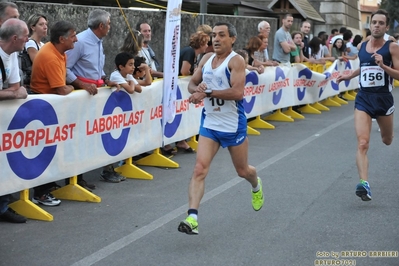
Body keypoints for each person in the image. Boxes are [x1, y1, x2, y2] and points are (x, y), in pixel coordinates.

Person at [178, 22, 264, 235]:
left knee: (243, 171)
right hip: (210, 124)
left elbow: (237, 93)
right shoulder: (206, 59)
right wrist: (196, 89)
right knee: (199, 169)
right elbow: (191, 83)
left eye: (221, 35)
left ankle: (256, 184)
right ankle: (192, 217)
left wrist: (207, 93)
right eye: (214, 35)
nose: (216, 39)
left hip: (232, 124)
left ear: (232, 39)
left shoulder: (236, 61)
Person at [337, 9, 399, 201]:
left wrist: (384, 66)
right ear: (370, 25)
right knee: (363, 142)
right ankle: (364, 184)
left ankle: (386, 133)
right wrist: (348, 75)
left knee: (387, 140)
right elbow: (363, 67)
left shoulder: (393, 47)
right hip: (364, 98)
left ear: (386, 27)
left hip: (383, 99)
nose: (377, 26)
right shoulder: (363, 45)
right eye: (374, 23)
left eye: (381, 23)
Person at [66, 9, 125, 184]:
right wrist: (82, 85)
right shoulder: (81, 41)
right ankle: (76, 178)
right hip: (81, 95)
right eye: (109, 24)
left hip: (95, 93)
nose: (110, 27)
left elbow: (95, 69)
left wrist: (106, 80)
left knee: (94, 135)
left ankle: (87, 174)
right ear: (101, 26)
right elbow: (65, 68)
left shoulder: (98, 41)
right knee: (79, 137)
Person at [29, 21, 77, 205]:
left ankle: (46, 187)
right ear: (61, 38)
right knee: (44, 150)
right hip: (44, 109)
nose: (76, 39)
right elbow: (61, 89)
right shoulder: (50, 55)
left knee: (51, 149)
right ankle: (41, 192)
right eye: (73, 35)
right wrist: (73, 87)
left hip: (49, 108)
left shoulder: (58, 51)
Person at [0, 3, 28, 224]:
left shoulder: (13, 54)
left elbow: (17, 87)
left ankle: (2, 206)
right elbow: (16, 92)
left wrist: (10, 92)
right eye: (26, 36)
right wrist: (12, 93)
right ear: (15, 38)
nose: (28, 40)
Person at [20, 13, 47, 88]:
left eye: (46, 24)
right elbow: (38, 63)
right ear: (33, 27)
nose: (45, 27)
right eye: (41, 24)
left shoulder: (43, 44)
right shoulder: (30, 42)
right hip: (30, 82)